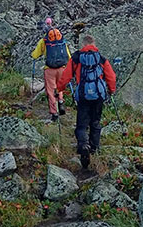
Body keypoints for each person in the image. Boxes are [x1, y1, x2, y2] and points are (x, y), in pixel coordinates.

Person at [57, 34, 116, 170]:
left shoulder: (77, 57)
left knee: (81, 125)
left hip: (83, 96)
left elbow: (66, 76)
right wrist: (111, 90)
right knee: (95, 123)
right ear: (94, 44)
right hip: (98, 96)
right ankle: (94, 149)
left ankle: (83, 145)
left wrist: (59, 89)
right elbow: (111, 76)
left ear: (83, 44)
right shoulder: (100, 58)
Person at [31, 17, 71, 121]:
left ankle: (54, 113)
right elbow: (68, 55)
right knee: (59, 87)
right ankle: (61, 101)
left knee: (51, 91)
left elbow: (35, 55)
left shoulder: (44, 41)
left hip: (49, 69)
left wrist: (33, 54)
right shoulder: (62, 40)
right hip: (62, 67)